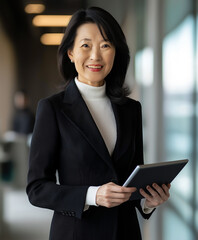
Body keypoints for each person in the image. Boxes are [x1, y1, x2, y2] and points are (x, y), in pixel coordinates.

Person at [26, 7, 170, 240]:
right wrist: (92, 195)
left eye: (105, 45)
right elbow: (37, 189)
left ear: (116, 52)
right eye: (86, 46)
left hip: (125, 233)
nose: (95, 56)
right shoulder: (52, 108)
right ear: (70, 52)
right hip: (76, 232)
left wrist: (149, 201)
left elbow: (132, 181)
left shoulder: (131, 109)